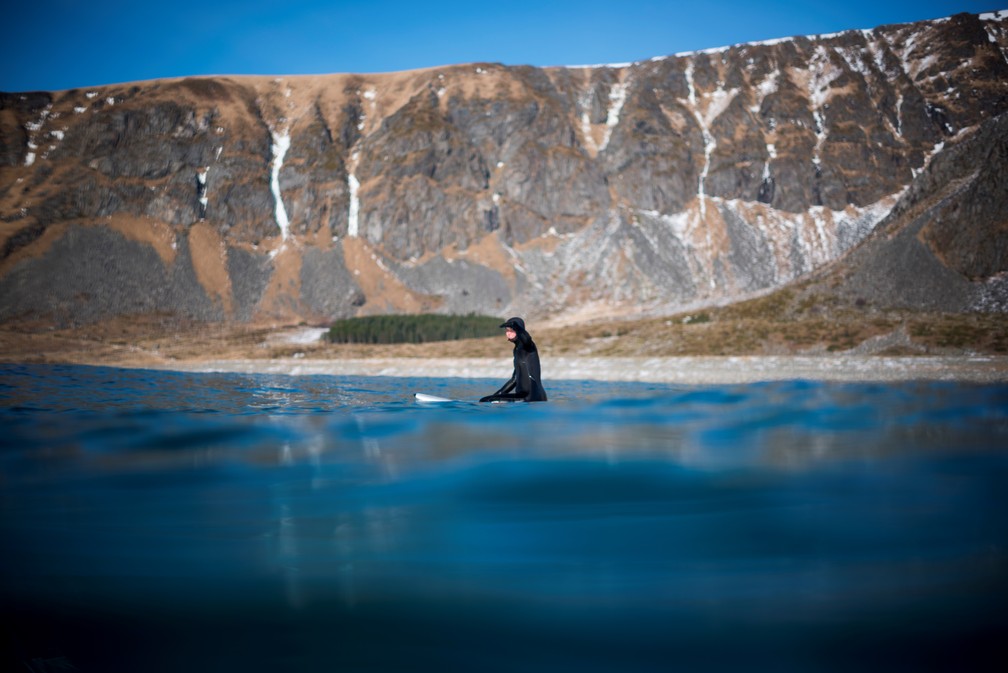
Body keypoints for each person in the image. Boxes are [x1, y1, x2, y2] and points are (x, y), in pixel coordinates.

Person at [480, 317, 548, 402]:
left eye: (511, 330)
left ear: (519, 330)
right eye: (507, 330)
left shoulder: (528, 346)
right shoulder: (517, 349)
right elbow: (514, 379)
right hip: (524, 396)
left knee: (485, 401)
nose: (508, 333)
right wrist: (496, 395)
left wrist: (516, 326)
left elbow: (527, 339)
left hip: (531, 396)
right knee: (486, 400)